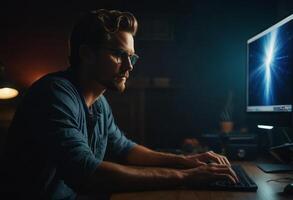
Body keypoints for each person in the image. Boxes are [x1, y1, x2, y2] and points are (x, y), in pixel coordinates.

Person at [2, 9, 238, 200]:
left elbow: (125, 149)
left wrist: (186, 162)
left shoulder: (99, 102)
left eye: (131, 57)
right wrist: (185, 177)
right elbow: (89, 175)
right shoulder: (54, 94)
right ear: (86, 54)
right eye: (118, 55)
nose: (129, 66)